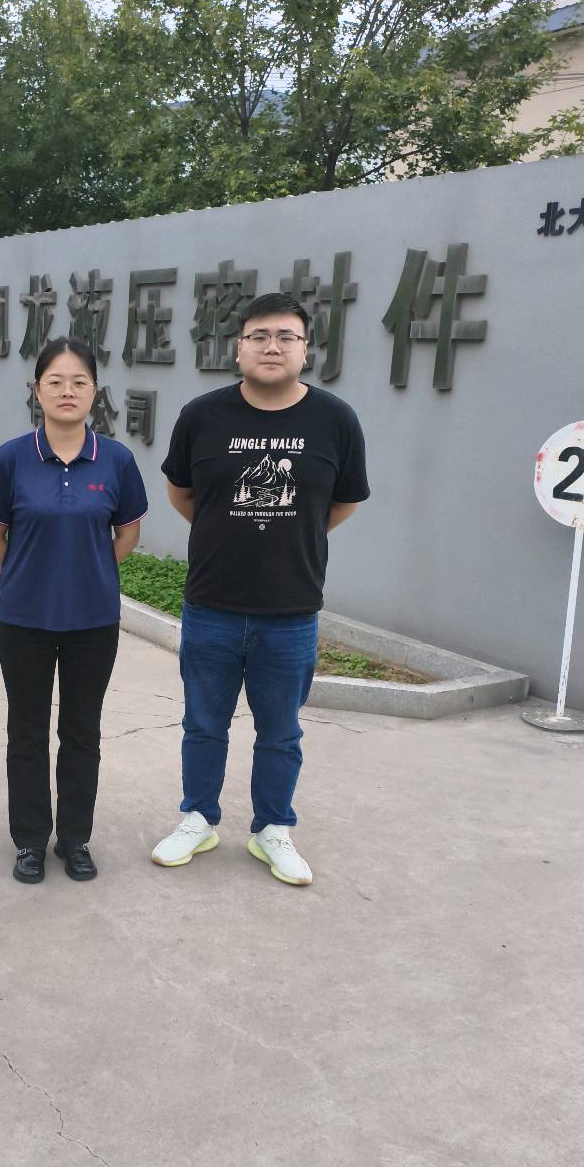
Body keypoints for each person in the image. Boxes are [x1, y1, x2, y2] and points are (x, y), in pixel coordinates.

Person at [151, 293, 369, 886]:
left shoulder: (335, 420)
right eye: (259, 336)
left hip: (291, 608)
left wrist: (292, 535)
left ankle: (273, 828)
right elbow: (182, 492)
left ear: (306, 349)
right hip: (212, 604)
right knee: (203, 724)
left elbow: (342, 502)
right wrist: (228, 528)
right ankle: (198, 818)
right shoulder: (202, 415)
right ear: (239, 347)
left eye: (286, 336)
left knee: (281, 733)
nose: (273, 347)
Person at [0, 338, 149, 884]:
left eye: (79, 382)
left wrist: (87, 569)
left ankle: (75, 839)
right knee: (26, 731)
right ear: (37, 390)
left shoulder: (116, 460)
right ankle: (30, 840)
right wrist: (29, 573)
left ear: (95, 391)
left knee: (81, 732)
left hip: (93, 621)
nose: (67, 391)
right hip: (24, 620)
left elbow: (127, 534)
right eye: (55, 381)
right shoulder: (11, 459)